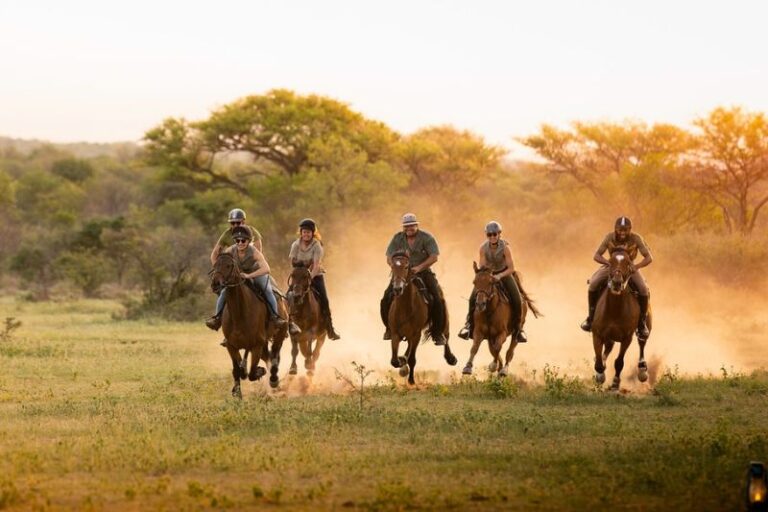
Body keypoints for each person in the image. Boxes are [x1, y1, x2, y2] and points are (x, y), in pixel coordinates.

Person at [580, 216, 653, 338]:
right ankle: (590, 318)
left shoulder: (636, 238)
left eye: (626, 230)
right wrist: (607, 263)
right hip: (611, 267)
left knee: (643, 289)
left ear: (630, 230)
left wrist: (637, 266)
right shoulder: (609, 237)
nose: (623, 233)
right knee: (593, 284)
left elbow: (649, 257)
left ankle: (641, 325)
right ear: (615, 229)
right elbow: (596, 255)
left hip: (630, 269)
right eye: (620, 230)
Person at [381, 213, 447, 344]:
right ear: (403, 227)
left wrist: (419, 267)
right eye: (406, 226)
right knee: (386, 298)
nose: (409, 228)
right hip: (401, 273)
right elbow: (389, 256)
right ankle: (389, 328)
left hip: (423, 272)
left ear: (417, 225)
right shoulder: (397, 238)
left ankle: (437, 333)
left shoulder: (427, 238)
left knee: (437, 298)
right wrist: (396, 267)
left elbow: (434, 257)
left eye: (411, 225)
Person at [206, 225, 287, 330]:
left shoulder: (254, 252)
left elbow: (266, 269)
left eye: (243, 240)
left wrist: (249, 276)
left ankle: (275, 317)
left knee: (267, 290)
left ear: (248, 241)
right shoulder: (231, 250)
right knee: (224, 292)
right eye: (237, 240)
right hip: (239, 276)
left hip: (256, 273)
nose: (240, 243)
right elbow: (222, 260)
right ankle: (217, 318)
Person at [458, 221, 527, 342]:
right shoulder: (483, 248)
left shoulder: (505, 248)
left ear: (499, 234)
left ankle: (518, 329)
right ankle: (469, 326)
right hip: (488, 277)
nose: (492, 237)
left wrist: (500, 276)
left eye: (494, 234)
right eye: (489, 235)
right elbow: (482, 267)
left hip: (504, 274)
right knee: (472, 298)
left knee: (517, 299)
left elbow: (511, 268)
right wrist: (486, 277)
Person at [288, 218, 341, 340]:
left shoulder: (317, 245)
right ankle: (288, 323)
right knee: (288, 295)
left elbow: (316, 265)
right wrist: (299, 274)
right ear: (301, 233)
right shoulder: (295, 245)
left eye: (308, 232)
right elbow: (292, 261)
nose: (306, 234)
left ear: (313, 233)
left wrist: (309, 278)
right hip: (299, 276)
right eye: (304, 232)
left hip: (315, 276)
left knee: (324, 300)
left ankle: (330, 329)